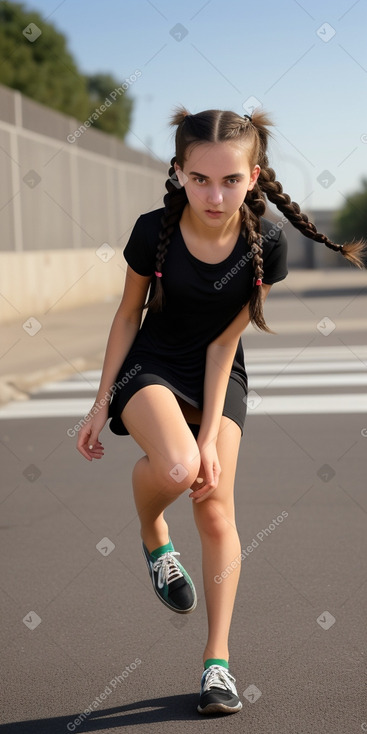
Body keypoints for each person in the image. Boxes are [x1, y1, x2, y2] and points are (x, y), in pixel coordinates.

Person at [76, 107, 365, 715]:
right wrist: (101, 404)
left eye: (230, 180)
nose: (215, 194)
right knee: (178, 467)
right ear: (179, 172)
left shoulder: (269, 245)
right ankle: (154, 533)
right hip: (150, 362)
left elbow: (222, 344)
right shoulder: (151, 229)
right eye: (200, 179)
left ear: (254, 176)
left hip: (216, 369)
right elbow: (128, 316)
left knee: (213, 504)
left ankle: (217, 665)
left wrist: (211, 435)